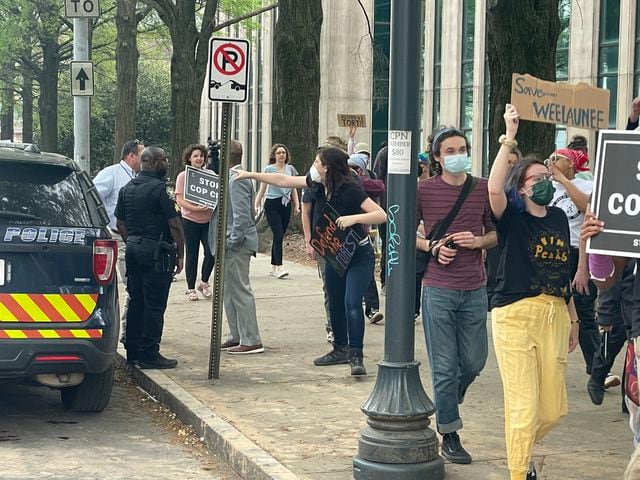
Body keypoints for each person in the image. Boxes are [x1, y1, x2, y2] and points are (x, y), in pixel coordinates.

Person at [488, 104, 580, 480]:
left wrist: (573, 317)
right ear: (522, 187)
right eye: (536, 177)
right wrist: (509, 135)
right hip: (515, 314)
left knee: (553, 409)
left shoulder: (558, 217)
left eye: (548, 175)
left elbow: (561, 269)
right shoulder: (511, 218)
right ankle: (518, 470)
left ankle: (519, 445)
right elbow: (494, 186)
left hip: (555, 314)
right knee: (524, 407)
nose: (545, 181)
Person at [237, 146, 387, 376]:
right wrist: (251, 175)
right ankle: (340, 349)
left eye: (317, 162)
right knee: (334, 301)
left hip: (357, 253)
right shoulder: (317, 185)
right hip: (333, 253)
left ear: (327, 167)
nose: (314, 166)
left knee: (352, 302)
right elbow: (283, 180)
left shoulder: (350, 189)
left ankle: (356, 355)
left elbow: (380, 214)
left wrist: (353, 218)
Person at [414, 126, 497, 464]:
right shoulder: (423, 190)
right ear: (437, 157)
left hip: (475, 287)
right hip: (438, 289)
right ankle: (449, 432)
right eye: (449, 150)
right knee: (445, 368)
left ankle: (450, 394)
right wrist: (433, 247)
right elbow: (404, 233)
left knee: (475, 360)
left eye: (461, 148)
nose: (456, 155)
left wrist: (477, 242)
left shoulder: (480, 189)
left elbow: (493, 233)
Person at [115, 146, 185, 369]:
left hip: (133, 249)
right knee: (154, 304)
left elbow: (120, 223)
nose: (167, 163)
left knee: (136, 300)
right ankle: (149, 353)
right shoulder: (160, 190)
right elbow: (174, 224)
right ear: (153, 162)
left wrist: (133, 242)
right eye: (164, 159)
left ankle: (133, 352)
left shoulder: (127, 188)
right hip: (156, 252)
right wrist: (180, 254)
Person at [546, 147, 600, 377]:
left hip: (580, 251)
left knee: (584, 308)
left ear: (570, 164)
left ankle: (597, 368)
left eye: (556, 159)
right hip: (553, 252)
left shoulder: (587, 185)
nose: (551, 162)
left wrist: (562, 180)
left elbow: (585, 206)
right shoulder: (546, 188)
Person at [209, 140, 263, 355]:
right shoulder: (232, 178)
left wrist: (232, 241)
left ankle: (251, 338)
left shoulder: (237, 180)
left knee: (239, 290)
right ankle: (236, 334)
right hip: (228, 242)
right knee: (228, 292)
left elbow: (242, 216)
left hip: (236, 244)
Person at [93, 139, 145, 341]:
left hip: (132, 237)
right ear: (131, 156)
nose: (144, 158)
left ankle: (131, 329)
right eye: (142, 154)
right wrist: (102, 224)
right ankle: (127, 331)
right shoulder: (111, 174)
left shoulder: (139, 176)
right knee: (131, 284)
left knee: (134, 284)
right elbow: (93, 199)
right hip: (116, 236)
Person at [175, 144, 215, 301]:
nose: (199, 158)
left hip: (208, 221)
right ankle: (190, 288)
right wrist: (195, 208)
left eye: (201, 156)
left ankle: (204, 283)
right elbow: (179, 200)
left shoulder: (211, 175)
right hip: (190, 220)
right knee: (192, 254)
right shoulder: (183, 177)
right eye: (195, 156)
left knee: (211, 253)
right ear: (189, 159)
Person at [348, 153, 385, 324]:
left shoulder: (363, 182)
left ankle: (372, 308)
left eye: (355, 168)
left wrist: (360, 177)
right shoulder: (338, 182)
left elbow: (379, 187)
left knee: (367, 273)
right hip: (339, 237)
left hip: (361, 234)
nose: (350, 172)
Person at [254, 144, 300, 279]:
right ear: (274, 155)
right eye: (279, 153)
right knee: (278, 234)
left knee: (279, 235)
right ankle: (280, 267)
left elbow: (293, 187)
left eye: (283, 153)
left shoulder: (290, 169)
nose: (281, 155)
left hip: (285, 204)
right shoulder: (268, 169)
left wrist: (296, 204)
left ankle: (273, 265)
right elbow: (262, 189)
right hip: (272, 204)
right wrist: (256, 205)